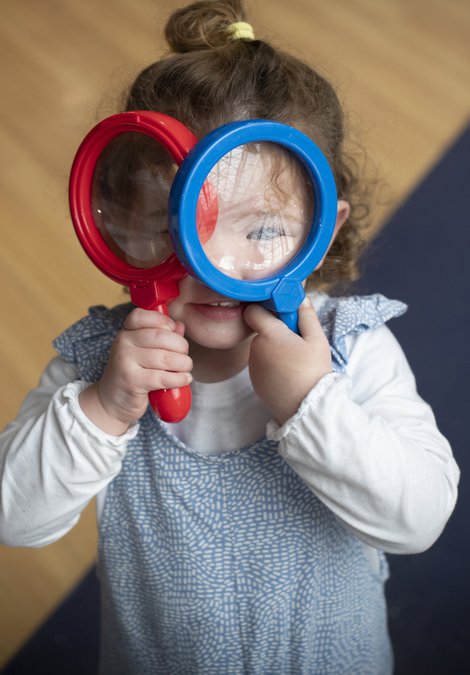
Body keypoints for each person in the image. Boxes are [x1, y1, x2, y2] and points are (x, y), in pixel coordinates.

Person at [0, 1, 460, 673]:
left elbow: (418, 518)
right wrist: (102, 409)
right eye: (172, 221)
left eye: (263, 230)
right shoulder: (104, 365)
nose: (212, 262)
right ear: (125, 220)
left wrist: (311, 402)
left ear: (321, 231)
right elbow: (15, 516)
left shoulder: (349, 349)